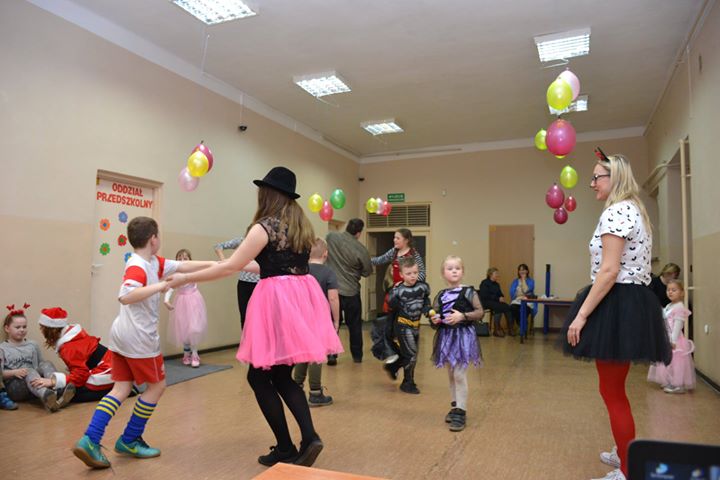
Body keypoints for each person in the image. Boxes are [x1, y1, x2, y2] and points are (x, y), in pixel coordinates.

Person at [166, 166, 343, 468]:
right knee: (282, 376)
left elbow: (230, 267)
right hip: (298, 300)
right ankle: (309, 437)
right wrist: (193, 266)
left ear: (268, 194)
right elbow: (265, 265)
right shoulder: (300, 227)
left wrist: (184, 277)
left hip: (276, 303)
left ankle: (286, 447)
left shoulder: (264, 227)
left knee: (258, 377)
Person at [562, 150, 672, 480]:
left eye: (597, 177)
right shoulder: (634, 210)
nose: (592, 183)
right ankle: (623, 450)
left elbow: (609, 271)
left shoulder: (617, 211)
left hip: (618, 303)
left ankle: (627, 468)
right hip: (630, 301)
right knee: (614, 389)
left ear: (615, 178)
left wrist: (582, 315)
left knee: (612, 392)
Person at [72, 216, 215, 469]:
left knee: (121, 388)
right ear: (153, 239)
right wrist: (160, 287)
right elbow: (126, 295)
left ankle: (90, 438)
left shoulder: (154, 262)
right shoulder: (138, 265)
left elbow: (184, 266)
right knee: (157, 387)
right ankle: (130, 439)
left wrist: (218, 263)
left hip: (122, 335)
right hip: (139, 339)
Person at [429, 256, 483, 432]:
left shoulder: (469, 292)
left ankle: (461, 410)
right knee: (451, 374)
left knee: (459, 374)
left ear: (462, 272)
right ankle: (455, 406)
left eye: (457, 268)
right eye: (450, 268)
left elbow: (480, 312)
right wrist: (436, 319)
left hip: (463, 337)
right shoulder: (441, 295)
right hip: (446, 337)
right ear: (443, 274)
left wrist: (463, 316)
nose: (454, 271)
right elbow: (436, 315)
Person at [293, 237, 340, 407]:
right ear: (325, 254)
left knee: (303, 352)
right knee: (316, 354)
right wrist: (336, 320)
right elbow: (333, 298)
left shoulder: (300, 270)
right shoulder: (328, 273)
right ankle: (315, 392)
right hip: (319, 319)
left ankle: (296, 387)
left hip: (300, 317)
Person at [1, 304, 72, 412]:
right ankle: (46, 396)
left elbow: (40, 365)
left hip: (34, 383)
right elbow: (0, 374)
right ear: (7, 328)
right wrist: (14, 372)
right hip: (16, 388)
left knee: (46, 363)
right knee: (29, 370)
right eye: (17, 327)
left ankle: (57, 389)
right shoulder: (2, 348)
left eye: (24, 327)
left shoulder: (33, 345)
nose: (22, 330)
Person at [37, 307, 115, 403]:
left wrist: (53, 382)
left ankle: (119, 391)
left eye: (42, 327)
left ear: (50, 329)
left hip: (107, 370)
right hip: (111, 367)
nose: (41, 330)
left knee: (76, 394)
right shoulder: (73, 336)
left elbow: (81, 374)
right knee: (70, 387)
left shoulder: (68, 347)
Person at [326, 218, 373, 364]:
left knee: (333, 323)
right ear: (359, 233)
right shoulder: (361, 250)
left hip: (332, 290)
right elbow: (367, 272)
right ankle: (357, 356)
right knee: (355, 326)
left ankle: (332, 355)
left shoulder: (331, 237)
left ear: (347, 227)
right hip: (351, 291)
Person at [383, 257, 431, 394]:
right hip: (403, 325)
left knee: (411, 353)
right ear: (402, 274)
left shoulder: (423, 287)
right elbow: (391, 307)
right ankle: (407, 382)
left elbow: (425, 301)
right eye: (409, 273)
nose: (412, 276)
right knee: (411, 354)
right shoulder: (397, 290)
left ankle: (393, 367)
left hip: (416, 325)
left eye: (415, 273)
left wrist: (428, 310)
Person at [647, 279, 695, 393]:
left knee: (676, 362)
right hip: (666, 337)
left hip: (675, 340)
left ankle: (677, 384)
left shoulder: (679, 307)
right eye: (668, 290)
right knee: (668, 362)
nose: (670, 292)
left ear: (682, 292)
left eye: (674, 290)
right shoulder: (669, 305)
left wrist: (673, 341)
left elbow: (678, 326)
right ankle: (669, 380)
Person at [164, 249, 208, 368]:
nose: (182, 261)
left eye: (185, 258)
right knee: (183, 329)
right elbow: (170, 287)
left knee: (194, 328)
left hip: (193, 301)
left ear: (190, 260)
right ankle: (186, 353)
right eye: (179, 259)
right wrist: (166, 300)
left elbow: (204, 273)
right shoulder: (175, 274)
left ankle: (195, 354)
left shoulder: (193, 272)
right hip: (181, 302)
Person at [214, 236, 260, 329]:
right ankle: (245, 337)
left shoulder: (262, 241)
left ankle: (258, 337)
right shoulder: (242, 241)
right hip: (244, 284)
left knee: (258, 316)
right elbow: (218, 246)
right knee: (244, 314)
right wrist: (224, 262)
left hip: (259, 284)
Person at [479, 268, 513, 337]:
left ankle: (510, 329)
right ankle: (496, 330)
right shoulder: (484, 283)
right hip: (486, 302)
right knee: (498, 307)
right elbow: (484, 295)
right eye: (496, 273)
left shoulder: (497, 284)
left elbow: (500, 293)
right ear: (490, 274)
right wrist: (497, 298)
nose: (498, 275)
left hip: (495, 302)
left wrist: (501, 297)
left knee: (507, 306)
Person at [509, 264, 538, 334]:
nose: (521, 271)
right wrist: (520, 294)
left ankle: (522, 326)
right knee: (512, 308)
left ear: (527, 271)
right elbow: (512, 293)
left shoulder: (531, 281)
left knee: (524, 309)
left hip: (527, 302)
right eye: (520, 270)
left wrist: (523, 280)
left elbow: (526, 291)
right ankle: (521, 325)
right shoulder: (515, 281)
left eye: (523, 270)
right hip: (517, 301)